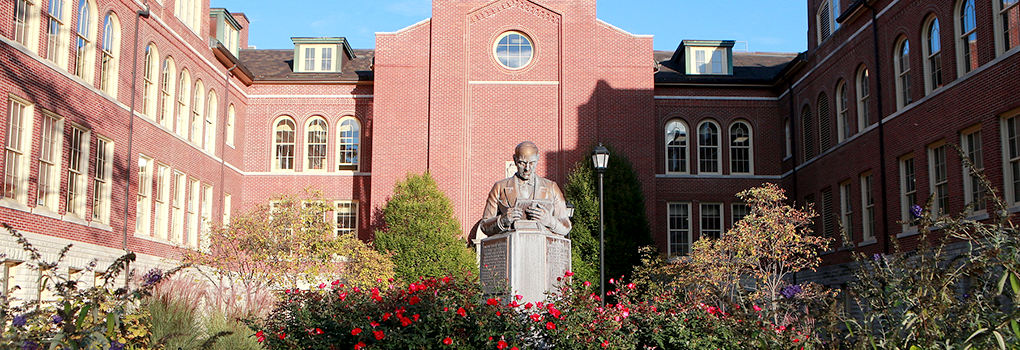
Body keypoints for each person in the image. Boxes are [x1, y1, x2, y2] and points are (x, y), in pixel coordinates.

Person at [480, 141, 571, 236]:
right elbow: (484, 225)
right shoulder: (500, 187)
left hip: (542, 244)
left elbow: (566, 226)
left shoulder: (551, 187)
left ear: (538, 159)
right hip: (512, 244)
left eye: (532, 163)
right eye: (522, 163)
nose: (527, 168)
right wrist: (502, 221)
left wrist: (549, 221)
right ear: (514, 160)